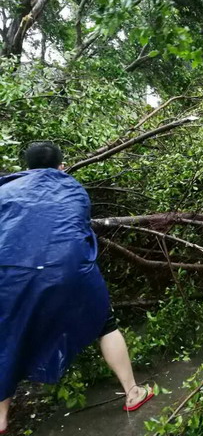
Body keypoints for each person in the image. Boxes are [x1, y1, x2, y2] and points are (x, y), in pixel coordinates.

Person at [0, 142, 153, 433]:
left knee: (6, 333)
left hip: (10, 276)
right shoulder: (74, 189)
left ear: (26, 167)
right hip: (69, 273)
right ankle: (133, 392)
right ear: (61, 166)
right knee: (105, 324)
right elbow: (76, 230)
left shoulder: (4, 190)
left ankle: (1, 418)